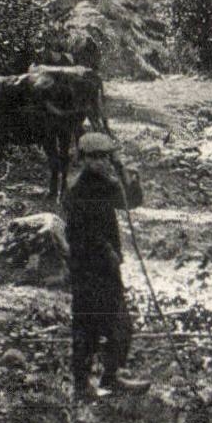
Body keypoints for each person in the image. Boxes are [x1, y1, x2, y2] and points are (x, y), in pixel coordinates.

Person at [65, 131, 149, 400]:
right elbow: (80, 234)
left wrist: (125, 172)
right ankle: (83, 385)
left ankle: (111, 378)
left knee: (120, 325)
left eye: (106, 156)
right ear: (84, 158)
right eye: (96, 157)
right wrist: (106, 251)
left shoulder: (103, 183)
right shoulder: (79, 190)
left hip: (105, 267)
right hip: (88, 268)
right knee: (88, 325)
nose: (101, 162)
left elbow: (131, 202)